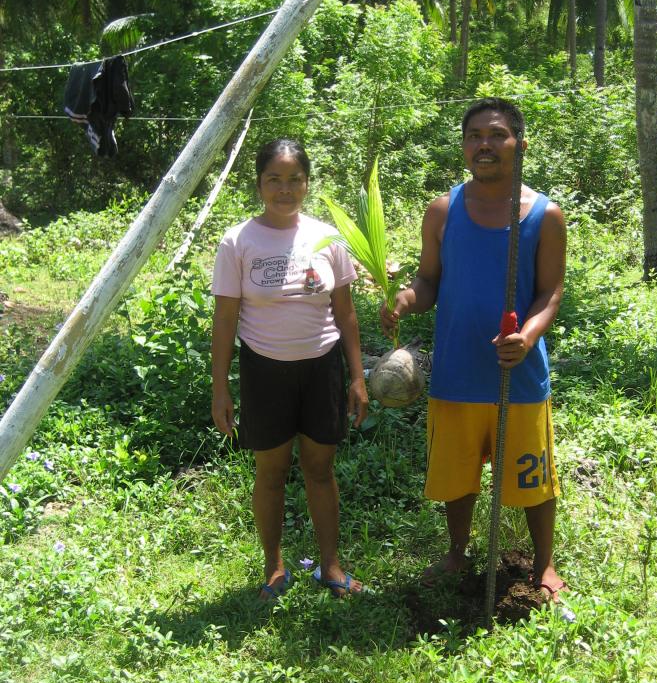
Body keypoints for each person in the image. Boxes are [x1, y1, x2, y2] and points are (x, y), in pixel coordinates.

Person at [380, 98, 567, 599]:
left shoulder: (545, 215)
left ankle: (544, 565)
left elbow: (551, 291)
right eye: (475, 136)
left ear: (520, 145)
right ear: (464, 147)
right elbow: (428, 281)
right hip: (457, 371)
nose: (485, 144)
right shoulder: (444, 210)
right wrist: (405, 301)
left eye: (498, 135)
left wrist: (527, 337)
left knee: (533, 476)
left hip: (519, 376)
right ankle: (457, 553)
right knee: (457, 475)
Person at [211, 137, 368, 600]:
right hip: (264, 370)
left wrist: (357, 376)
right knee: (271, 472)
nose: (285, 189)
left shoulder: (325, 238)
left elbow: (346, 313)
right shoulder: (238, 241)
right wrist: (221, 388)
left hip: (321, 368)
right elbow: (225, 320)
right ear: (259, 183)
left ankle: (331, 567)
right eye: (274, 179)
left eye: (294, 179)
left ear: (307, 182)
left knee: (321, 470)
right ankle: (274, 568)